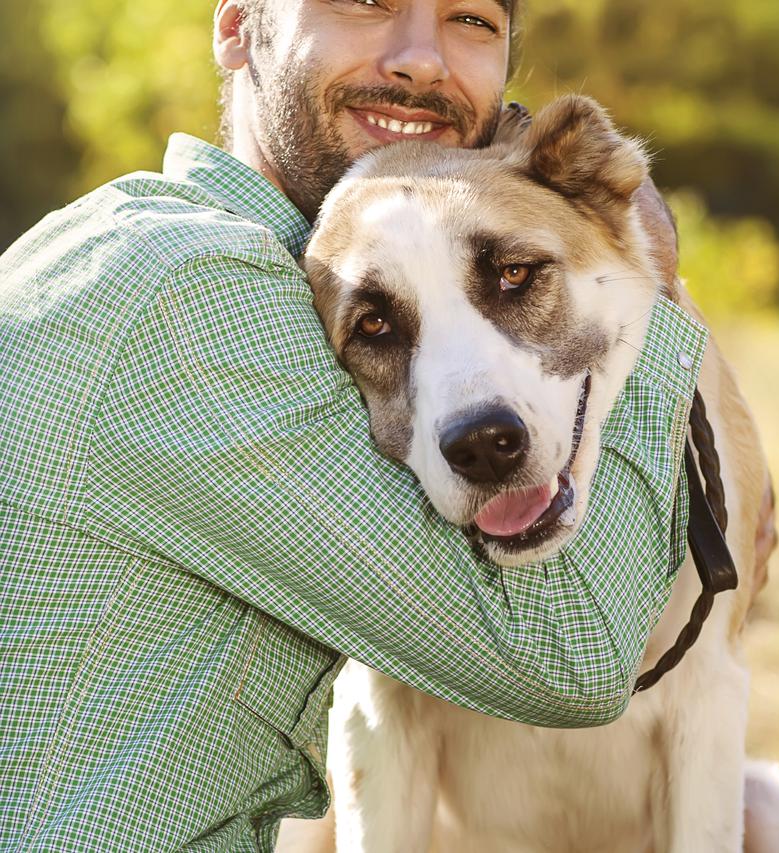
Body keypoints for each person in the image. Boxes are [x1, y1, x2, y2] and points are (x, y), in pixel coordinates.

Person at [0, 1, 712, 849]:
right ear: (234, 26)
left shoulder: (180, 252)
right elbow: (573, 652)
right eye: (364, 0)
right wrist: (647, 272)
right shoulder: (193, 295)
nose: (419, 58)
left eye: (472, 20)